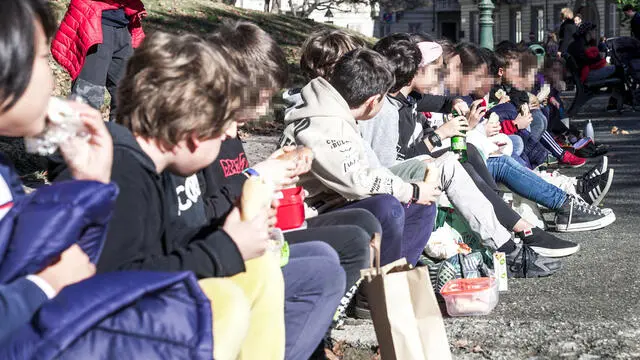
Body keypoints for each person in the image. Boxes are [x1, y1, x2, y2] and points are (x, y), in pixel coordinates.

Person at [0, 0, 114, 342]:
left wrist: (89, 186)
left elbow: (64, 259)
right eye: (44, 59)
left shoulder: (5, 176)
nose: (55, 75)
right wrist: (42, 288)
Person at [282, 44, 440, 268]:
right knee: (388, 207)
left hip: (332, 203)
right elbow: (356, 183)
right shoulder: (325, 125)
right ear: (373, 101)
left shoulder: (332, 108)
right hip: (306, 215)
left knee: (422, 205)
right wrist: (412, 190)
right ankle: (382, 288)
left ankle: (398, 278)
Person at [51, 0, 146, 121]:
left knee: (129, 96)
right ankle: (81, 137)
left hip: (124, 23)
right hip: (96, 24)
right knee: (88, 97)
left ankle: (118, 137)